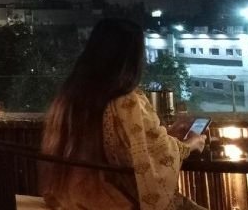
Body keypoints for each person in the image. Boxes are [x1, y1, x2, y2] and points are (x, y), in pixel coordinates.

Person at [42, 18, 207, 210]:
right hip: (109, 201)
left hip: (69, 198)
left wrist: (165, 135)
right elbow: (152, 160)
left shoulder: (68, 97)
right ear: (132, 57)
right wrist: (189, 144)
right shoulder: (126, 101)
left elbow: (121, 145)